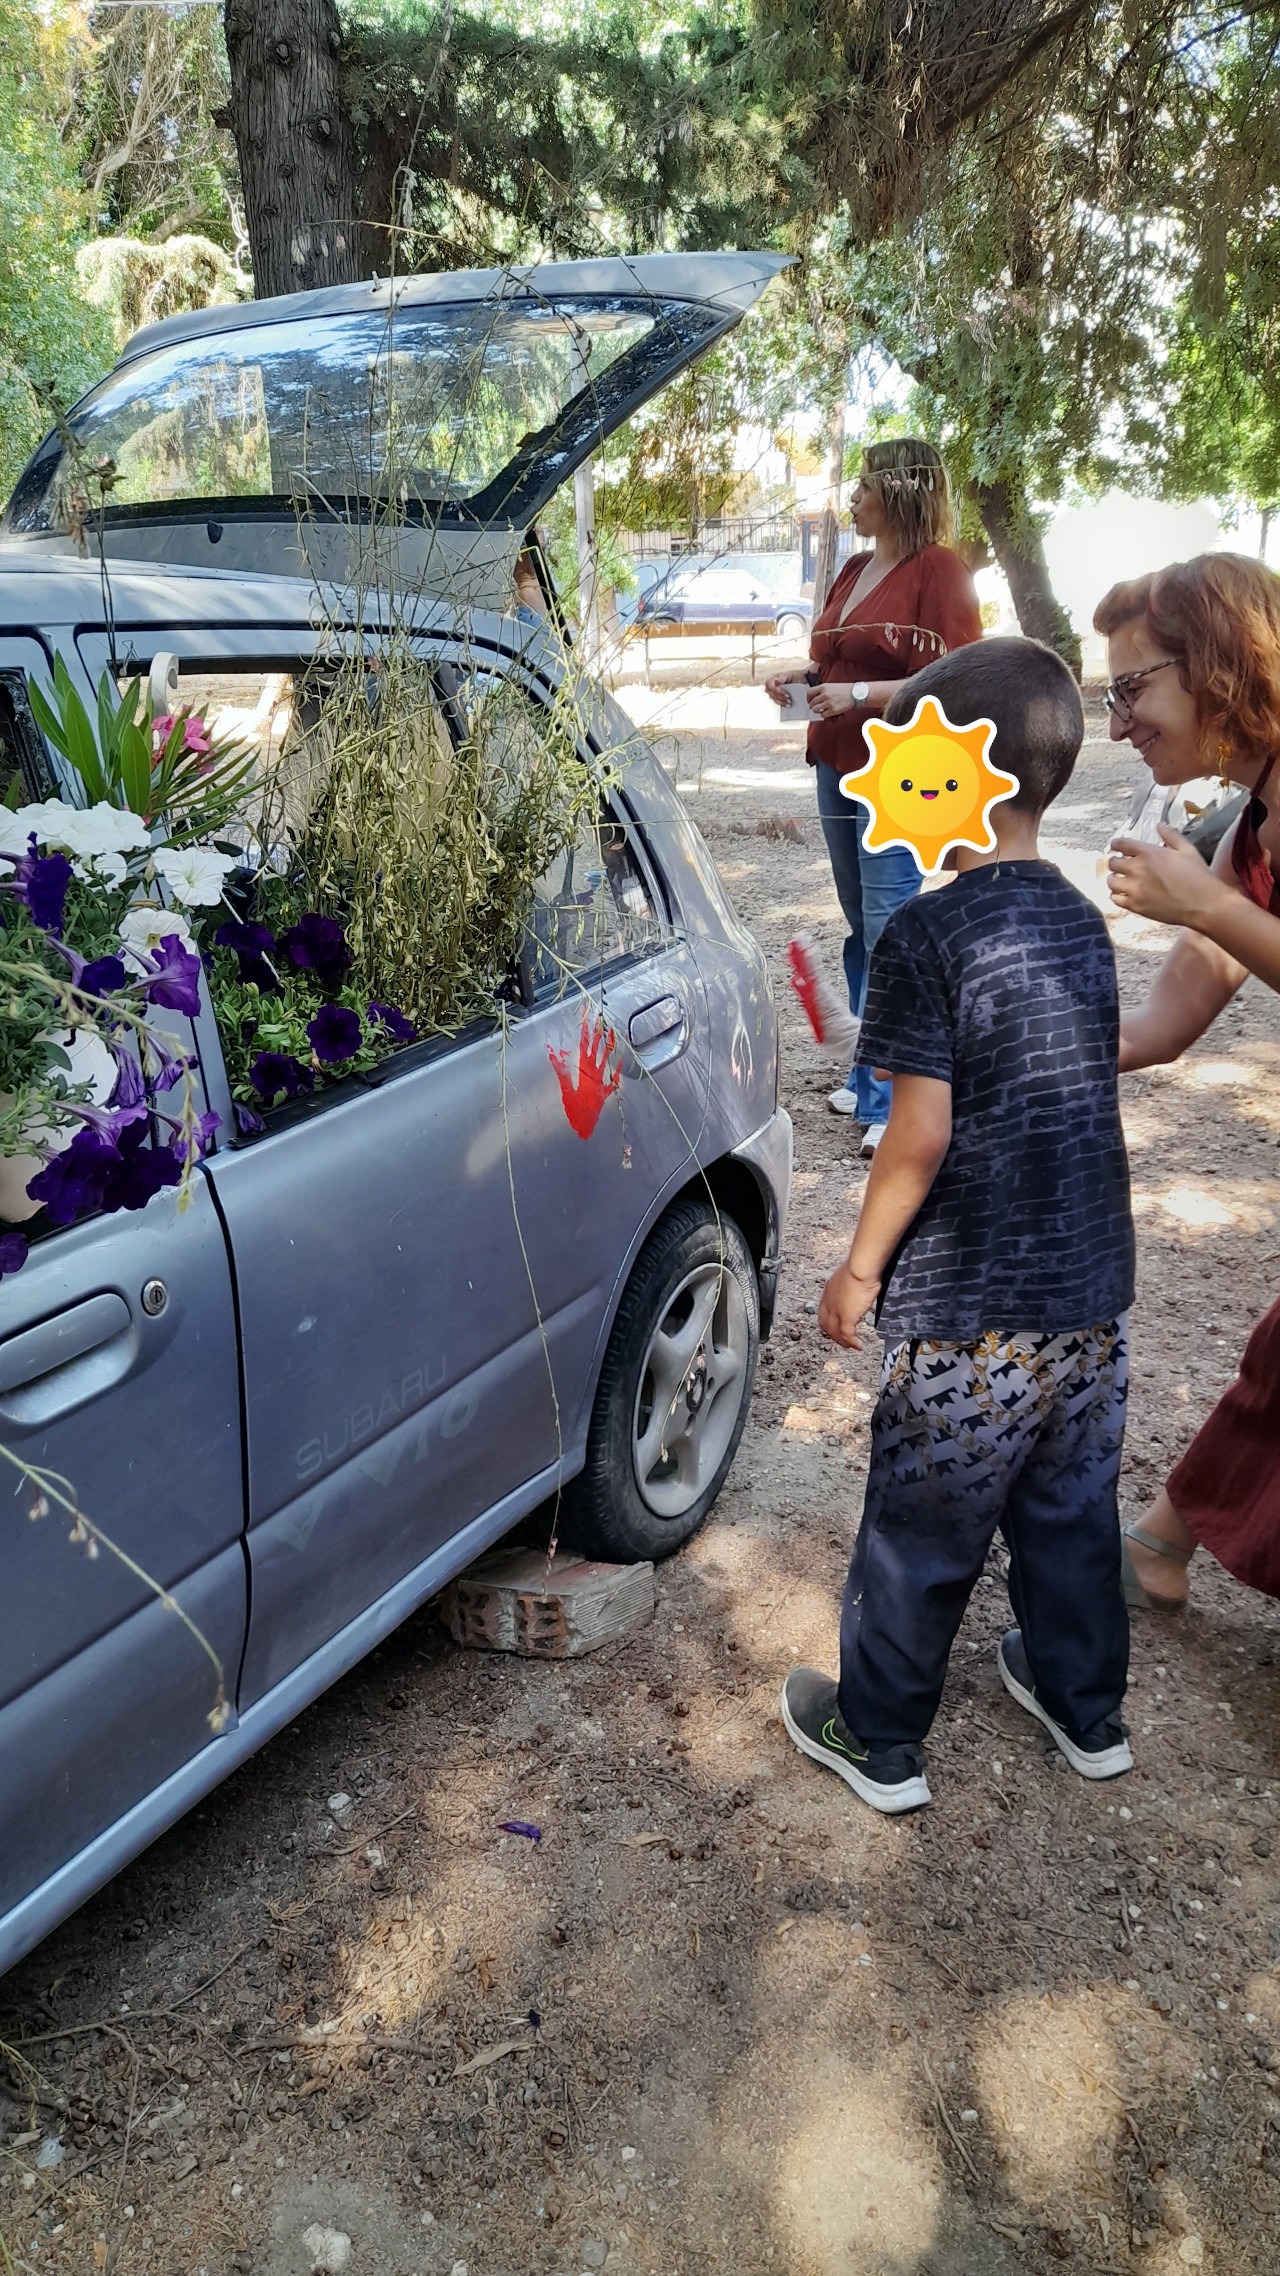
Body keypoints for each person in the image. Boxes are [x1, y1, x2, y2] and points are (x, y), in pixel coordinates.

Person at [780, 637, 1136, 1813]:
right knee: (1069, 1510)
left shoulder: (923, 933)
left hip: (967, 1319)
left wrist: (856, 1266)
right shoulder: (1079, 919)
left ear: (950, 773)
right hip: (1086, 1302)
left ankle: (878, 1735)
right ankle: (1085, 1709)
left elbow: (917, 1134)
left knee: (921, 1529)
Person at [1098, 553, 1280, 1611]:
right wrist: (1029, 1043)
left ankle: (1160, 1542)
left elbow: (1220, 927)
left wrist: (1206, 905)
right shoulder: (1249, 814)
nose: (1120, 723)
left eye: (1133, 688)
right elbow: (1165, 1020)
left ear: (1216, 663)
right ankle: (1160, 1543)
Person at [766, 438, 981, 1155]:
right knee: (862, 925)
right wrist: (800, 680)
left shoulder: (940, 569)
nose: (853, 498)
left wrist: (859, 693)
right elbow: (832, 660)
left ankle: (896, 1100)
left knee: (892, 930)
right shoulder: (856, 568)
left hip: (902, 772)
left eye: (864, 485)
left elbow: (957, 676)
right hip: (836, 760)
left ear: (901, 491)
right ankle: (867, 1077)